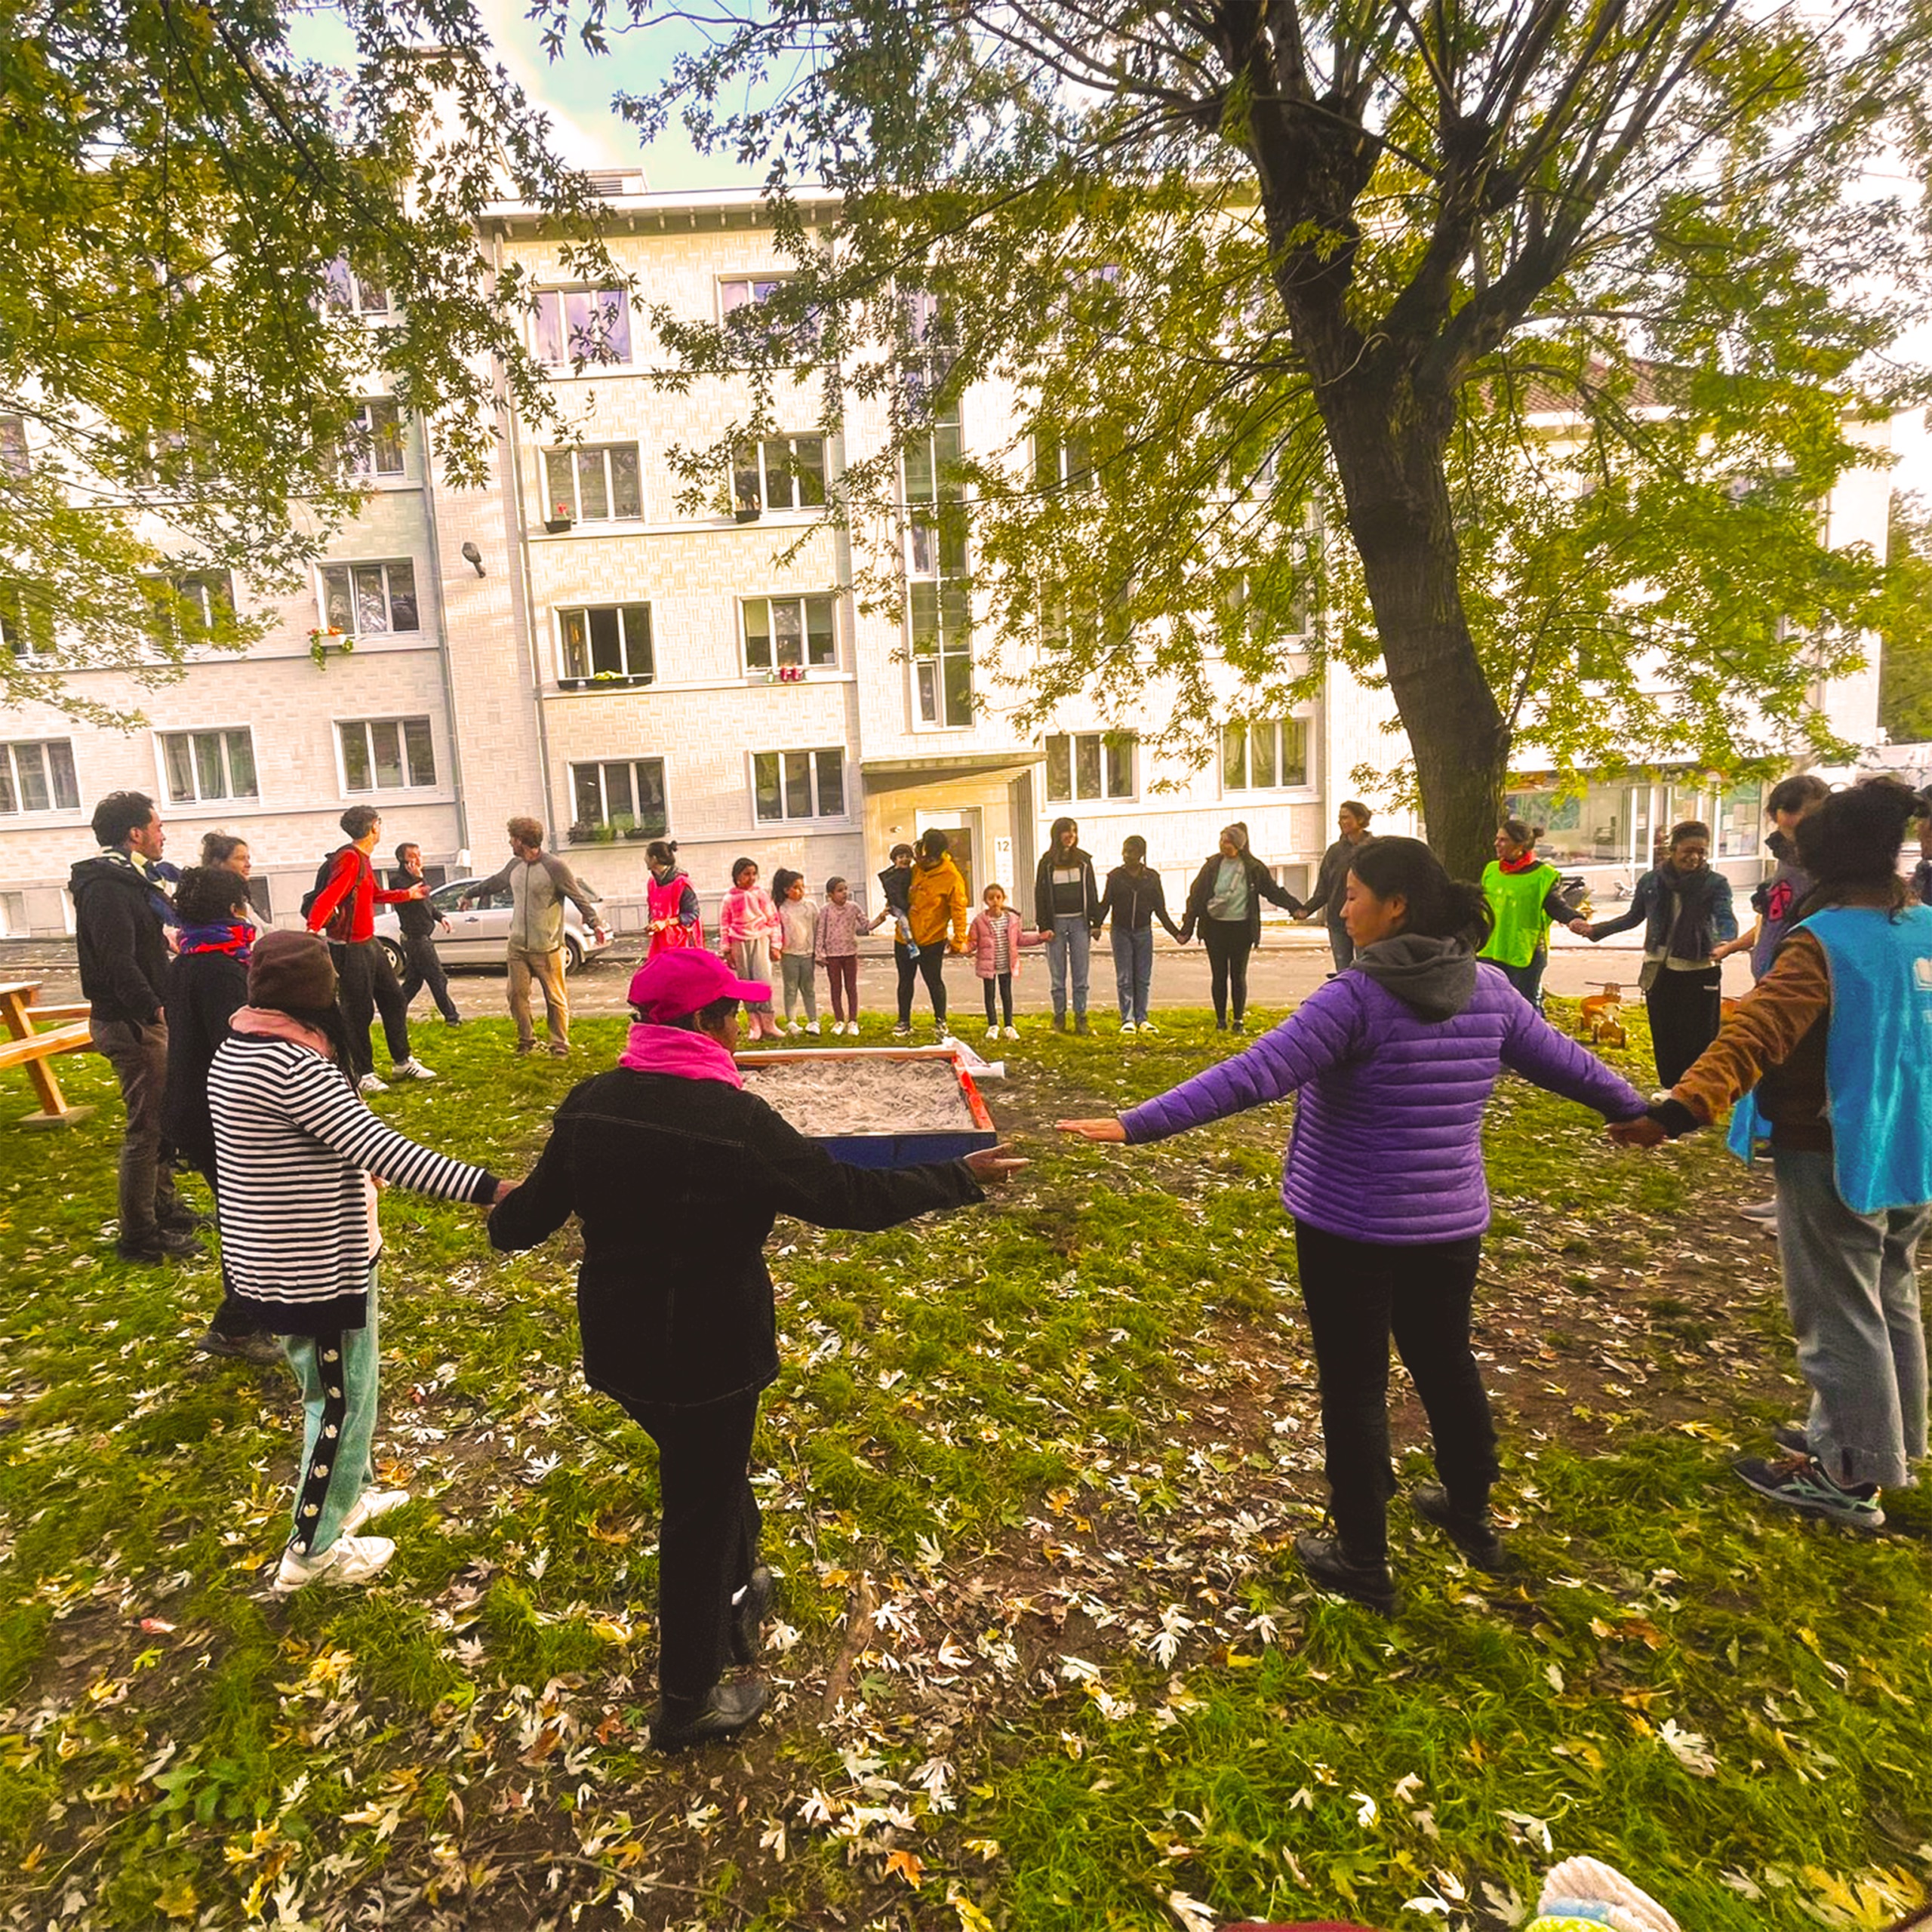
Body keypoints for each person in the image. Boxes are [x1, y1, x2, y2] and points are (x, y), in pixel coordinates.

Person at [1060, 836, 1647, 1613]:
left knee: (1356, 1386)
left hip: (1349, 1229)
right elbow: (1571, 1064)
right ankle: (1471, 1516)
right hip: (1448, 1227)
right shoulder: (1491, 990)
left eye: (1352, 894)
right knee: (1446, 1363)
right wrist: (1640, 1110)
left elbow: (1251, 1074)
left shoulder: (1357, 998)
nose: (1342, 908)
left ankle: (1364, 1558)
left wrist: (1136, 1124)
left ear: (1395, 906)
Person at [488, 948, 1026, 1750]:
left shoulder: (591, 1102)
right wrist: (959, 1175)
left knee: (708, 1471)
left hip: (622, 1345)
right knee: (698, 1510)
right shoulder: (735, 1121)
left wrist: (500, 1215)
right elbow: (846, 1197)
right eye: (733, 1012)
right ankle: (687, 1701)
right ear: (708, 1023)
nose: (741, 1025)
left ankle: (739, 1589)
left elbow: (526, 1219)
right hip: (709, 1352)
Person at [1608, 778, 1932, 1533]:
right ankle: (1882, 1442)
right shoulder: (1921, 925)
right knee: (1889, 1295)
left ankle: (1848, 1474)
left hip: (1834, 1148)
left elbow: (1756, 1030)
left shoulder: (1826, 941)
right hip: (1910, 1143)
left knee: (1838, 1312)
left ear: (1823, 862)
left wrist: (1678, 1110)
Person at [208, 931, 511, 1592]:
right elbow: (382, 1149)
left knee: (348, 1388)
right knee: (337, 1404)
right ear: (320, 993)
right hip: (311, 1268)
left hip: (290, 1253)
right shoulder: (292, 1065)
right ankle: (311, 1552)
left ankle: (349, 1493)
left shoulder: (241, 1044)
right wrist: (492, 1190)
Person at [69, 791, 202, 1263]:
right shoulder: (107, 886)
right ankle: (139, 1234)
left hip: (143, 1018)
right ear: (135, 833)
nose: (163, 835)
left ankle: (165, 1208)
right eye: (158, 826)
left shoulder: (132, 879)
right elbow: (117, 961)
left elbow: (137, 945)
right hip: (130, 1023)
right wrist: (155, 1009)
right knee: (145, 1130)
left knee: (163, 1120)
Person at [160, 866, 281, 1364]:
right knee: (255, 1224)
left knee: (247, 1220)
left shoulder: (190, 960)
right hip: (218, 1118)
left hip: (195, 1111)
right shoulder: (219, 969)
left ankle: (250, 1317)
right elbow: (237, 1048)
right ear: (234, 909)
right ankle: (236, 1327)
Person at [1712, 774, 1830, 1230]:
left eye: (1804, 819)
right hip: (1769, 982)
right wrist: (1736, 948)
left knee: (1804, 1100)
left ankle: (1805, 1206)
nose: (1795, 830)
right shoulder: (1785, 863)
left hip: (1801, 992)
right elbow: (1770, 924)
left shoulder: (1827, 866)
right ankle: (1786, 1196)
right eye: (1787, 820)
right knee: (1777, 1097)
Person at [1576, 820, 1737, 1087]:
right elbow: (1633, 917)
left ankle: (1694, 1091)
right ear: (1673, 850)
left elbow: (1725, 916)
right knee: (1665, 1034)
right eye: (1688, 850)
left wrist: (1726, 942)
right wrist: (1596, 931)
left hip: (1699, 969)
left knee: (1698, 1038)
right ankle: (1670, 1088)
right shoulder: (1651, 881)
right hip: (1658, 969)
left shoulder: (1715, 883)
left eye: (1701, 852)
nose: (1695, 857)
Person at [303, 805, 436, 1093]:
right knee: (358, 1012)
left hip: (368, 942)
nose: (380, 828)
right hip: (349, 947)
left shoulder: (362, 859)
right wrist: (312, 929)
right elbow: (330, 895)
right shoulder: (349, 859)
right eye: (380, 823)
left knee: (394, 1000)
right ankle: (363, 1074)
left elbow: (373, 894)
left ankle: (402, 1062)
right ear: (374, 826)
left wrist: (407, 894)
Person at [463, 817, 606, 1059]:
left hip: (548, 947)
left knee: (555, 998)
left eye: (512, 838)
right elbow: (495, 883)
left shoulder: (555, 867)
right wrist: (470, 893)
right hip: (518, 946)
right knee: (516, 996)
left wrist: (595, 923)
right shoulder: (514, 865)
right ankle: (526, 1040)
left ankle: (559, 1044)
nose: (510, 842)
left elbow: (578, 897)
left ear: (521, 841)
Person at [1179, 822, 1303, 1032]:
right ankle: (1220, 1020)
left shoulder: (1253, 867)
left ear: (1239, 845)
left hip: (1242, 928)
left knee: (1238, 975)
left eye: (1228, 842)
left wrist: (1295, 907)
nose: (1223, 845)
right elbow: (1196, 896)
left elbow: (1272, 891)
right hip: (1215, 928)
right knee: (1219, 975)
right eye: (1221, 841)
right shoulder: (1212, 865)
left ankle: (1238, 1020)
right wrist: (1187, 928)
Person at [1476, 817, 1588, 1010]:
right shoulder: (1491, 870)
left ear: (1520, 845)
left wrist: (1574, 919)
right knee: (1492, 1006)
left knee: (1526, 1007)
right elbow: (1479, 903)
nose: (1496, 843)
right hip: (1490, 949)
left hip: (1525, 953)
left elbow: (1556, 905)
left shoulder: (1544, 875)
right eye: (1497, 838)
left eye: (1503, 840)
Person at [1093, 836, 1183, 1033]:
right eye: (1125, 851)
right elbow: (1106, 903)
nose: (1127, 855)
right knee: (1125, 977)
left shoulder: (1151, 878)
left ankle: (1142, 1018)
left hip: (1143, 931)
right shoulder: (1115, 877)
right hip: (1120, 931)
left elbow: (1160, 909)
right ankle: (1127, 1019)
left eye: (1131, 852)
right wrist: (1096, 925)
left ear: (1141, 854)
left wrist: (1176, 934)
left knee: (1143, 977)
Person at [1032, 817, 1101, 1033]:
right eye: (1066, 831)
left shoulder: (1084, 860)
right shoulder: (1047, 862)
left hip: (1080, 922)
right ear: (1057, 834)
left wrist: (1096, 922)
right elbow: (1040, 894)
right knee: (1057, 975)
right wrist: (1044, 926)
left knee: (1081, 974)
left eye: (1074, 831)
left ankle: (1081, 1016)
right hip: (1056, 924)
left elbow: (1092, 890)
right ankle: (1059, 1016)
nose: (1070, 835)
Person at [900, 827, 970, 1038]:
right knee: (905, 981)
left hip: (932, 939)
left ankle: (941, 1021)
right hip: (905, 937)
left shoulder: (951, 877)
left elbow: (959, 910)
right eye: (918, 857)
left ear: (936, 857)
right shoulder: (915, 870)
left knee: (934, 981)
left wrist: (959, 939)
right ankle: (903, 1021)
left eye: (925, 859)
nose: (920, 862)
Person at [389, 841, 463, 1027]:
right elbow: (417, 901)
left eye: (419, 855)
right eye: (412, 856)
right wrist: (418, 879)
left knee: (413, 982)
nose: (418, 860)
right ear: (403, 860)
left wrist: (441, 917)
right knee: (437, 978)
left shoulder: (417, 879)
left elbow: (427, 905)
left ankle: (394, 1013)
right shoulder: (399, 882)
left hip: (420, 938)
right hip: (416, 940)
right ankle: (452, 1017)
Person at [1297, 801, 1374, 973]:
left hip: (1366, 920)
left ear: (1361, 819)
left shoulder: (1374, 849)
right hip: (1338, 921)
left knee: (1367, 969)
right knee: (1343, 971)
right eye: (1340, 818)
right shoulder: (1335, 851)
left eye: (1346, 818)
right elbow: (1324, 887)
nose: (1341, 822)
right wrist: (1306, 909)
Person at [968, 882, 1047, 1038]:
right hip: (988, 965)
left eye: (998, 897)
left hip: (1006, 963)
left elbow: (1020, 939)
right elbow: (973, 942)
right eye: (991, 898)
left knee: (1006, 994)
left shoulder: (1012, 920)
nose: (995, 901)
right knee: (989, 995)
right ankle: (993, 1025)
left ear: (1004, 899)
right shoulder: (979, 921)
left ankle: (1009, 1025)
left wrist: (1039, 938)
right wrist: (960, 947)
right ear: (985, 901)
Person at [719, 857, 783, 1041]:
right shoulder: (729, 898)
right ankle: (754, 1024)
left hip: (760, 939)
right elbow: (724, 924)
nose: (751, 878)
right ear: (737, 876)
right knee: (746, 983)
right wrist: (727, 950)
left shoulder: (761, 895)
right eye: (747, 874)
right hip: (739, 943)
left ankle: (769, 1022)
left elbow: (774, 920)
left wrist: (775, 945)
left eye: (754, 874)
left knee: (763, 980)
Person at [771, 868, 821, 1035]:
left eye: (802, 887)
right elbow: (776, 930)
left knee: (809, 988)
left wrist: (818, 950)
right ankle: (792, 1021)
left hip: (808, 954)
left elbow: (818, 928)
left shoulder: (810, 906)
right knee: (791, 988)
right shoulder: (781, 909)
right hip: (789, 954)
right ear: (786, 890)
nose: (800, 891)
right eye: (796, 887)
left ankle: (813, 1021)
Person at [815, 877, 866, 1035]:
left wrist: (881, 918)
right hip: (832, 956)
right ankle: (839, 1020)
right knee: (835, 988)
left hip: (850, 954)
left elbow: (866, 925)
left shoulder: (853, 907)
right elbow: (820, 932)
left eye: (845, 889)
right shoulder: (825, 910)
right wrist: (819, 953)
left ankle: (853, 1021)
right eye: (840, 890)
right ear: (830, 895)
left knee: (851, 987)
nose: (844, 893)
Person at [645, 840, 703, 956]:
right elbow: (652, 909)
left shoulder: (681, 883)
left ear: (654, 859)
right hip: (661, 941)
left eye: (647, 855)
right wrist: (653, 924)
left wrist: (666, 923)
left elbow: (693, 914)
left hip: (682, 941)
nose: (644, 859)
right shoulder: (652, 883)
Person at [866, 843, 918, 959]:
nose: (905, 859)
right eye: (901, 857)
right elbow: (896, 896)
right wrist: (907, 907)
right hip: (897, 905)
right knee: (904, 921)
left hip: (905, 902)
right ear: (894, 860)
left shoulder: (911, 872)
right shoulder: (892, 878)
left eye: (908, 856)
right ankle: (911, 946)